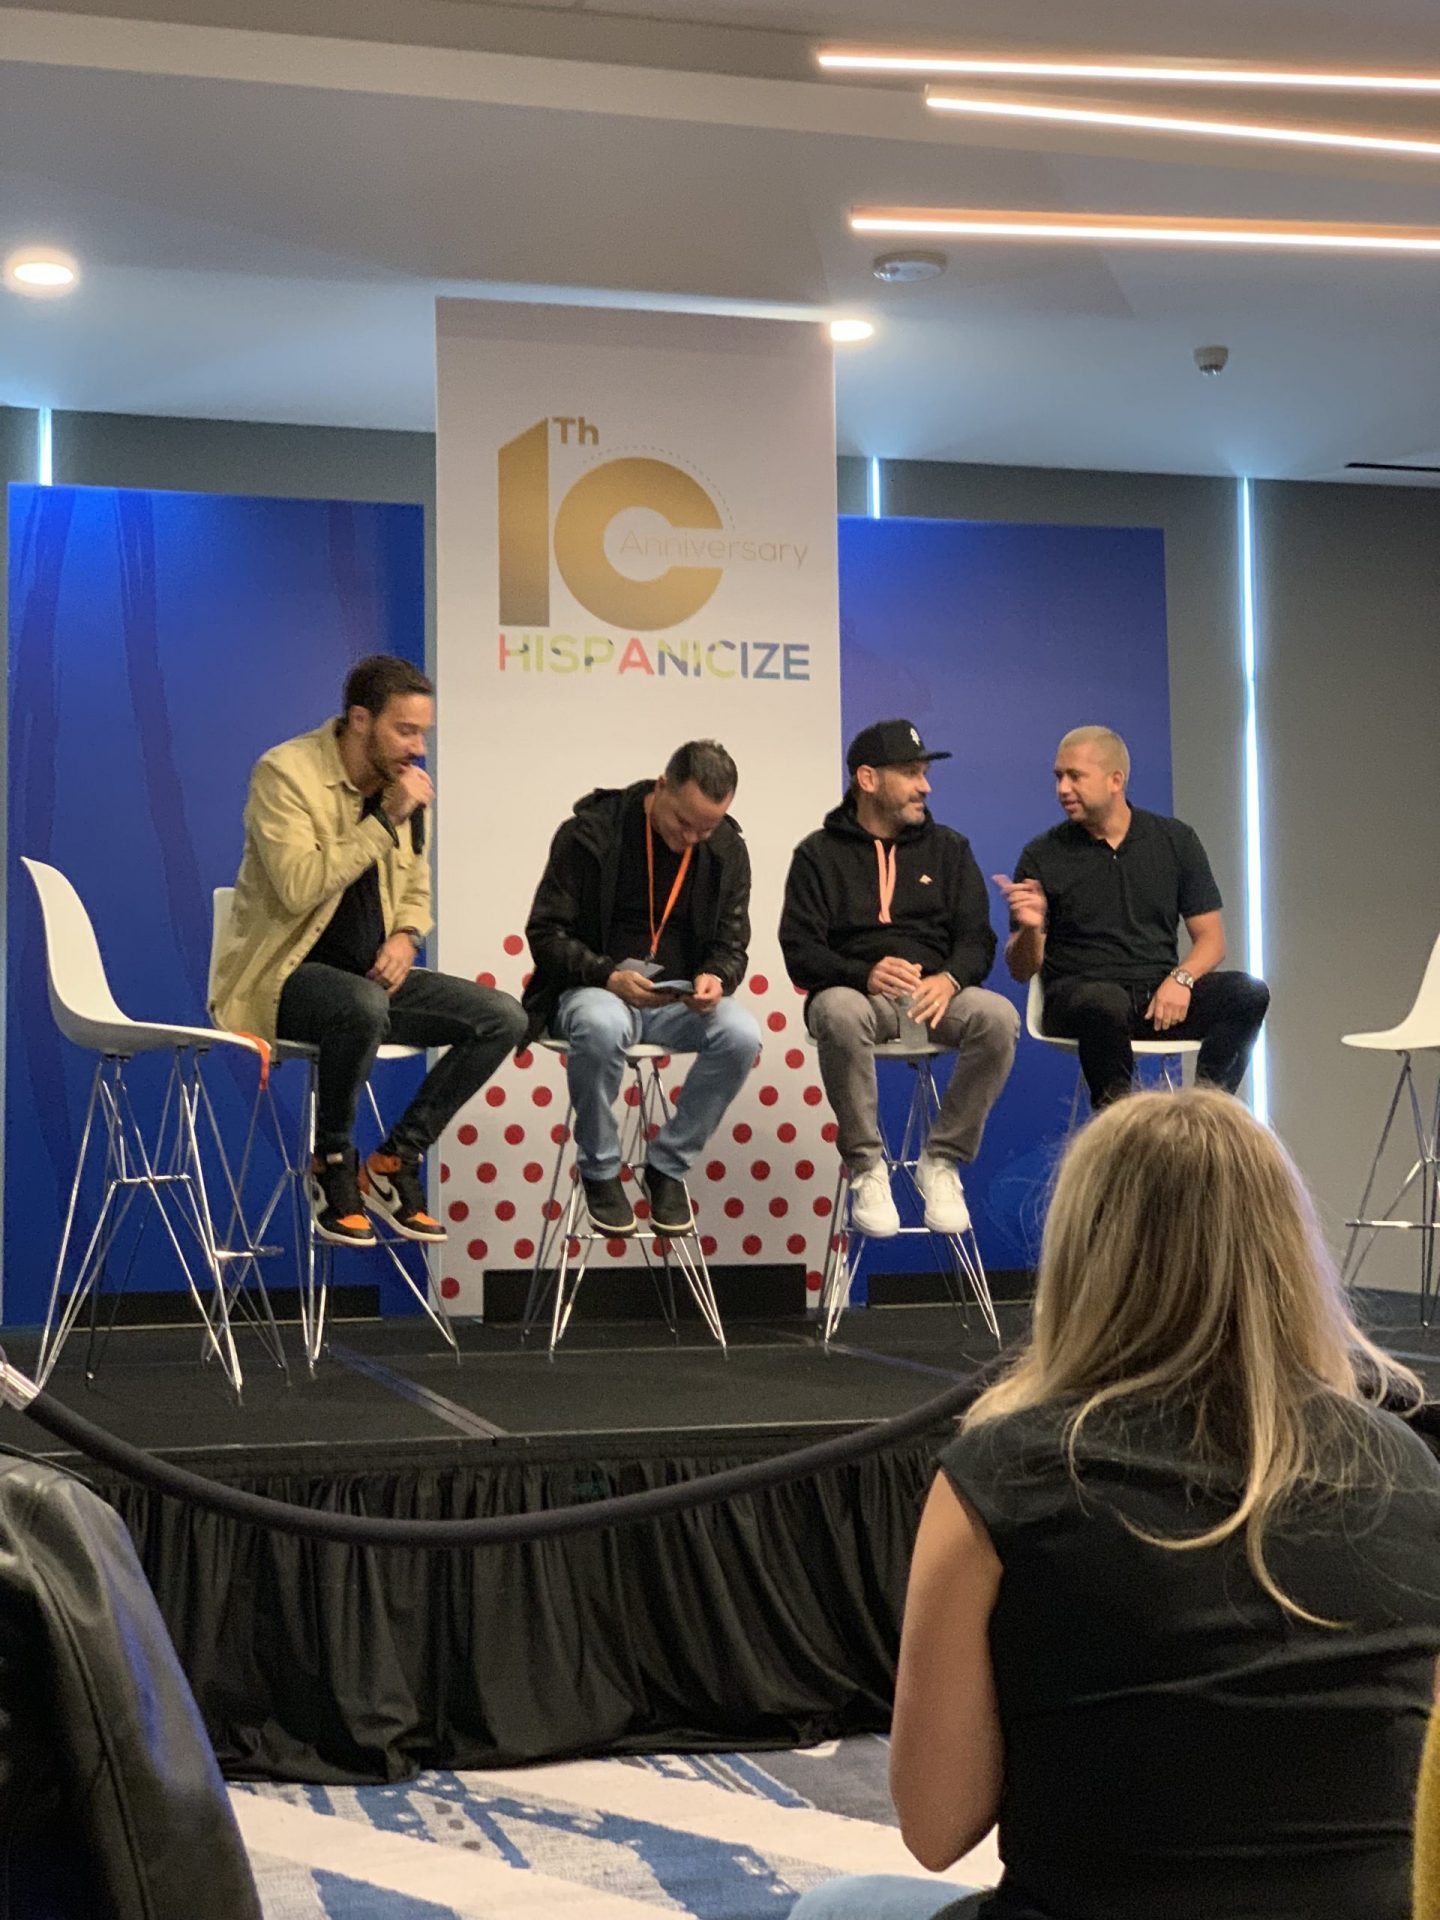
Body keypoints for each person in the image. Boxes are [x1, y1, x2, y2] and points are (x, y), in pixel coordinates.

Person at [790, 1088, 1440, 1920]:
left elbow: (937, 1825)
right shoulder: (1409, 1470)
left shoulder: (1001, 1474)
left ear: (1082, 1253)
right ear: (1289, 1252)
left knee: (838, 1905)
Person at [211, 655, 525, 1247]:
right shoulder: (285, 774)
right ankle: (332, 1163)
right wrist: (386, 817)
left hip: (369, 980)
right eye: (405, 731)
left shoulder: (403, 787)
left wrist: (407, 936)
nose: (418, 749)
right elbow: (299, 885)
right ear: (360, 720)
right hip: (283, 977)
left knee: (502, 1017)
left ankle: (392, 1163)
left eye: (423, 733)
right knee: (361, 1004)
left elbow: (415, 888)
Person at [779, 719, 1018, 1237]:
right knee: (837, 1010)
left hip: (935, 999)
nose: (924, 786)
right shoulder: (817, 854)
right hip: (860, 998)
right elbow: (800, 952)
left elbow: (978, 940)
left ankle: (943, 1160)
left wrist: (950, 979)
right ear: (868, 779)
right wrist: (864, 973)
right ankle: (867, 1167)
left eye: (925, 773)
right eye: (910, 773)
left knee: (998, 1017)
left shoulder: (950, 849)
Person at [523, 740, 759, 1238]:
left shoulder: (726, 849)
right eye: (683, 822)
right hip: (595, 988)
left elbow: (731, 945)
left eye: (707, 828)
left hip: (676, 998)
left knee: (741, 1034)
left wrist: (716, 977)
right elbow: (546, 934)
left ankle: (667, 1167)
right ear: (662, 787)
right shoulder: (591, 833)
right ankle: (600, 1169)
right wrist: (607, 975)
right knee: (601, 1024)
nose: (691, 837)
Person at [995, 725, 1268, 1108]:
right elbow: (1022, 970)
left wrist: (1181, 978)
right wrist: (1030, 927)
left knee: (1248, 993)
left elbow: (1212, 941)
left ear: (1115, 780)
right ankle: (1120, 1127)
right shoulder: (1042, 855)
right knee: (1103, 1001)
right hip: (1081, 1000)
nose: (1062, 789)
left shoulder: (1175, 841)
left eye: (1075, 776)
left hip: (1159, 999)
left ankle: (1207, 1114)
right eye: (1058, 777)